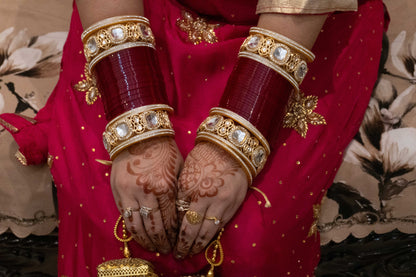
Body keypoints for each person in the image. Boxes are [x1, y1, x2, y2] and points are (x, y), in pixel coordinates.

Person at [0, 0, 387, 276]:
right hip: (134, 10)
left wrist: (235, 143)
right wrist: (138, 127)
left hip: (301, 22)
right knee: (118, 209)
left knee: (247, 236)